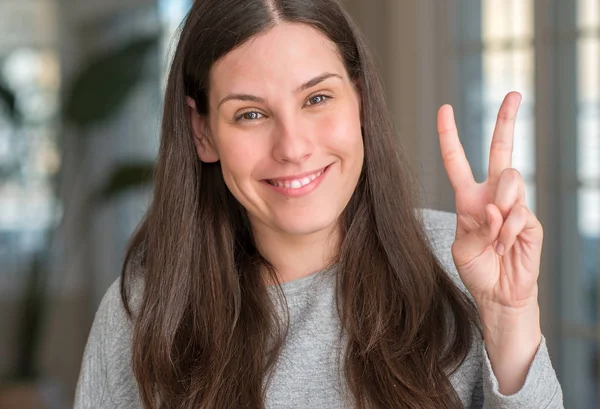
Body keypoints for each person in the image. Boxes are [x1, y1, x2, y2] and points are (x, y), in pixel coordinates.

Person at [74, 0, 564, 408]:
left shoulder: (464, 264)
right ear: (202, 131)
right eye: (250, 113)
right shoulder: (142, 312)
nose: (292, 147)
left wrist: (506, 317)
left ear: (360, 101)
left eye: (317, 99)